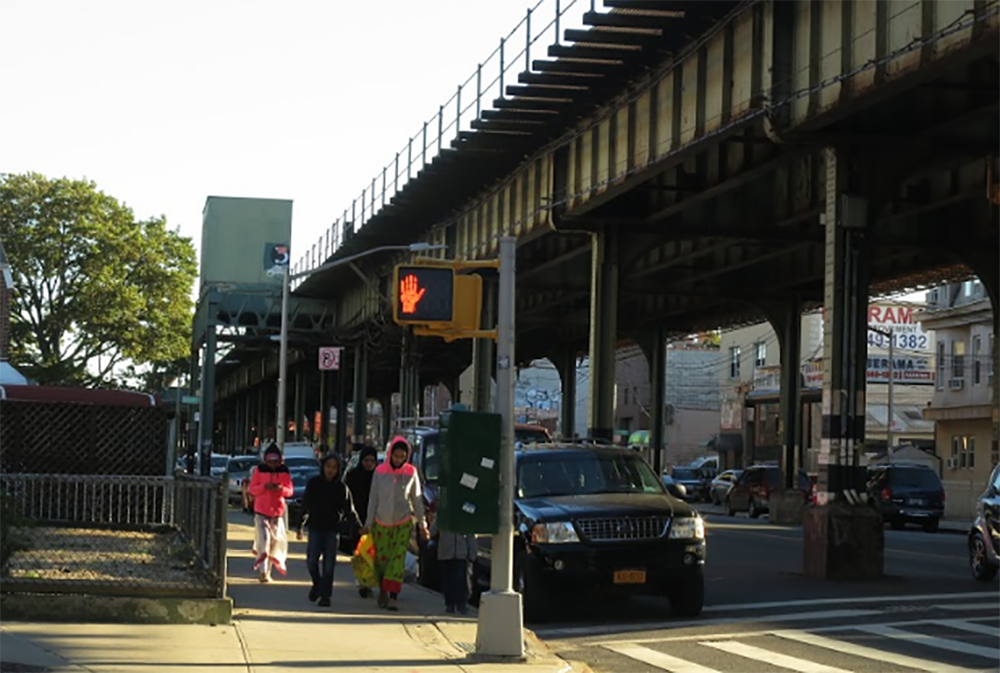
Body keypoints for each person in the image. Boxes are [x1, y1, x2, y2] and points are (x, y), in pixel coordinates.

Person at [362, 436, 427, 611]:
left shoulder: (411, 473)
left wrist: (423, 525)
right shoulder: (380, 472)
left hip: (402, 523)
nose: (398, 460)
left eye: (402, 457)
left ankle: (393, 597)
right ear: (390, 455)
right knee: (382, 561)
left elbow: (417, 500)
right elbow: (373, 499)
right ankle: (383, 589)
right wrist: (368, 524)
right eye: (396, 456)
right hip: (381, 523)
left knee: (396, 561)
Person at [297, 453, 359, 607]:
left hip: (332, 529)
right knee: (312, 561)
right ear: (323, 467)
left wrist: (357, 526)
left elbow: (349, 510)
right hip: (316, 527)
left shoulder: (341, 488)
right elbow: (305, 505)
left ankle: (326, 596)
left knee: (329, 564)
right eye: (328, 466)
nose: (330, 470)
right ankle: (317, 584)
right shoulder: (314, 484)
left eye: (334, 467)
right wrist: (300, 525)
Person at [248, 444, 294, 582]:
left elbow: (290, 491)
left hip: (277, 512)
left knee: (274, 542)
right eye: (270, 461)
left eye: (276, 461)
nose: (273, 464)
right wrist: (264, 487)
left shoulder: (284, 472)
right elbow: (252, 489)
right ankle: (262, 571)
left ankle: (267, 572)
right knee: (264, 539)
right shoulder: (259, 470)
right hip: (261, 511)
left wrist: (280, 489)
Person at [344, 445, 378, 596]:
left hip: (374, 520)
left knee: (372, 553)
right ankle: (361, 582)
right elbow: (347, 499)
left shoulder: (378, 477)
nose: (369, 463)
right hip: (356, 519)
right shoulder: (352, 476)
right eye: (366, 460)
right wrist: (353, 520)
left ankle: (368, 582)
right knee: (358, 552)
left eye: (372, 460)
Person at [432, 522, 476, 614]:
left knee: (462, 579)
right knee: (447, 580)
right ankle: (450, 603)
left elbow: (470, 536)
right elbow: (433, 531)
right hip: (446, 553)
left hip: (461, 553)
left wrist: (472, 553)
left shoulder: (464, 515)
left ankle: (461, 603)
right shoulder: (443, 514)